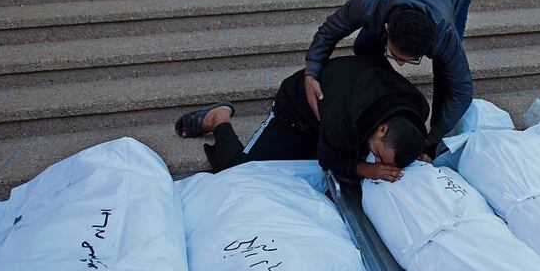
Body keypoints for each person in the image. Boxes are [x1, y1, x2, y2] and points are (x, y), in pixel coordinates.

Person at [303, 0, 473, 152]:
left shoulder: (444, 34)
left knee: (446, 74)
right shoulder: (371, 2)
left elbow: (461, 91)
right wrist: (311, 72)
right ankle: (380, 106)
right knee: (364, 47)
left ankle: (433, 146)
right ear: (386, 28)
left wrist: (432, 137)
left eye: (410, 60)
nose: (400, 65)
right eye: (395, 56)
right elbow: (329, 30)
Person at [174, 55, 429, 182]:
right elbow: (329, 159)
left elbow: (414, 137)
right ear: (383, 129)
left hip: (334, 116)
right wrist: (367, 169)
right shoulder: (344, 116)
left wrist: (418, 152)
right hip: (295, 116)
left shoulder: (416, 107)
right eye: (380, 156)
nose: (379, 161)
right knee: (240, 174)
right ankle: (218, 119)